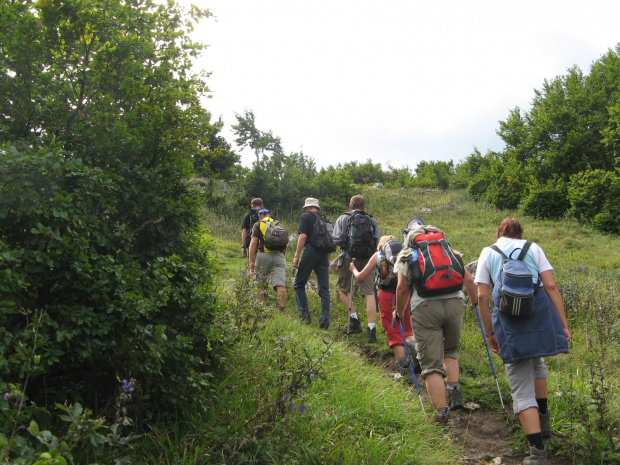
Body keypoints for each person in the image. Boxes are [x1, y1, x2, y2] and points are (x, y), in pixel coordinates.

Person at [475, 217, 570, 465]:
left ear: (499, 234)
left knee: (520, 384)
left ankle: (537, 452)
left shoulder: (489, 251)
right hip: (537, 314)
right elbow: (550, 286)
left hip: (508, 320)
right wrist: (563, 324)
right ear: (520, 234)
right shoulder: (534, 248)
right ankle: (544, 421)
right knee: (537, 362)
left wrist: (490, 332)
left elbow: (482, 296)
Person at [394, 219, 477, 424]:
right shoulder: (450, 251)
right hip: (456, 303)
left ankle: (441, 414)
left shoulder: (407, 254)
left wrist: (400, 311)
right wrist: (475, 302)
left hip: (425, 307)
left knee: (431, 364)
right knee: (449, 351)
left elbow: (402, 288)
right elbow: (468, 280)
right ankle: (454, 392)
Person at [349, 235, 421, 382]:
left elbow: (361, 277)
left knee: (393, 331)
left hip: (387, 295)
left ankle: (405, 373)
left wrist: (353, 269)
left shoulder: (378, 255)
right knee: (407, 330)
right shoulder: (404, 253)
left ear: (381, 245)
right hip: (405, 293)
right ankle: (415, 348)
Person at [333, 195, 381, 342]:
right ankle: (371, 329)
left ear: (350, 206)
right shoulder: (372, 220)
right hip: (368, 258)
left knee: (342, 289)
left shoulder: (343, 219)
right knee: (369, 293)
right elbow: (378, 239)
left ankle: (354, 321)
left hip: (349, 257)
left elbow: (337, 239)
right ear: (364, 206)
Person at [292, 198, 331, 329]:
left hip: (310, 252)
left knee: (299, 283)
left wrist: (296, 255)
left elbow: (303, 236)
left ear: (307, 207)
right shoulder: (325, 219)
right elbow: (330, 240)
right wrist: (327, 258)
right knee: (324, 289)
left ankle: (304, 315)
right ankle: (325, 319)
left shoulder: (305, 216)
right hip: (324, 254)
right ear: (317, 208)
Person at [248, 209, 287, 311]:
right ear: (270, 214)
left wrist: (251, 260)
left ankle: (260, 307)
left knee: (260, 282)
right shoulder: (279, 224)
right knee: (280, 284)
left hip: (263, 255)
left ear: (260, 216)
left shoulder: (258, 224)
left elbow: (253, 242)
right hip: (279, 255)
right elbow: (284, 244)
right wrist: (282, 256)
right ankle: (282, 310)